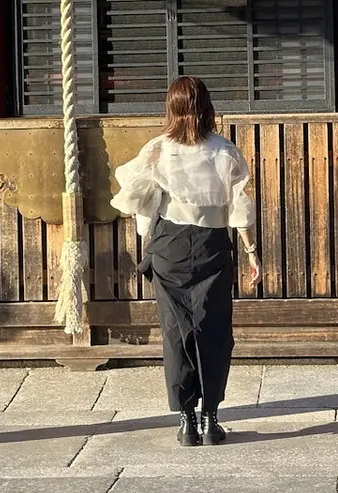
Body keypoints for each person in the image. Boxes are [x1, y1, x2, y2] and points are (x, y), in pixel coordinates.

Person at [112, 76, 261, 447]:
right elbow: (239, 208)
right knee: (214, 330)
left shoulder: (159, 149)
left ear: (172, 108)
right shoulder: (224, 150)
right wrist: (251, 252)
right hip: (212, 245)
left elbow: (136, 197)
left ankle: (186, 421)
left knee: (176, 332)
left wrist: (148, 237)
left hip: (170, 246)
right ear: (207, 107)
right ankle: (211, 418)